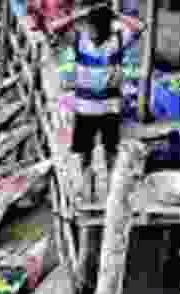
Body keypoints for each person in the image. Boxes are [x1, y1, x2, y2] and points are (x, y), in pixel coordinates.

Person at [69, 5, 142, 201]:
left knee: (111, 151)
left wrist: (116, 14)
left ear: (104, 28)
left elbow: (140, 26)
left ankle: (112, 190)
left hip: (110, 108)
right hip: (85, 109)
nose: (90, 31)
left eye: (94, 27)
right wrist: (79, 14)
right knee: (84, 152)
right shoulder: (80, 41)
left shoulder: (117, 41)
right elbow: (52, 28)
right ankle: (88, 190)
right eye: (89, 26)